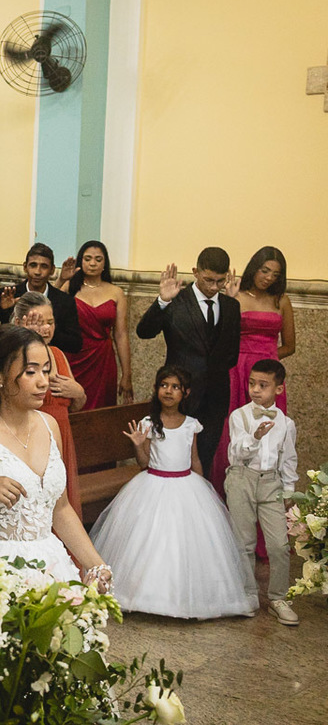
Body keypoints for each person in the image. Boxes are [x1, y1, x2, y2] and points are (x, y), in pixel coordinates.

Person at [90, 366, 256, 619]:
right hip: (153, 483)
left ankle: (194, 599)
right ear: (156, 389)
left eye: (175, 387)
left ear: (185, 392)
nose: (169, 391)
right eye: (164, 385)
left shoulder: (191, 425)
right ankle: (141, 595)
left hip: (186, 484)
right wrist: (137, 445)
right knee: (149, 542)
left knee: (187, 545)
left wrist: (203, 492)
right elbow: (145, 463)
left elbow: (195, 459)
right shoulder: (149, 423)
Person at [0, 325, 112, 590]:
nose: (43, 381)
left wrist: (95, 564)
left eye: (46, 370)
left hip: (50, 562)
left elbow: (60, 509)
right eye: (30, 372)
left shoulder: (49, 425)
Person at [136, 248, 241, 477]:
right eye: (208, 280)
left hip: (215, 398)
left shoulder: (232, 306)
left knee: (203, 459)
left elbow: (232, 353)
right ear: (195, 272)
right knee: (172, 459)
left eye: (220, 281)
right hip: (179, 396)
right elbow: (144, 332)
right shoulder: (176, 300)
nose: (214, 287)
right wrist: (162, 301)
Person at [212, 246, 295, 493]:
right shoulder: (237, 295)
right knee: (233, 430)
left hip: (268, 374)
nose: (269, 277)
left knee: (270, 433)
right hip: (238, 371)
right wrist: (226, 299)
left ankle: (267, 497)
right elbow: (219, 336)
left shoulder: (282, 301)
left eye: (275, 274)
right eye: (264, 271)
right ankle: (227, 496)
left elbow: (290, 345)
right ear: (254, 268)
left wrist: (268, 356)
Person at [226, 359, 300, 625]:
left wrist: (289, 489)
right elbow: (234, 453)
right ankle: (248, 594)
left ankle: (279, 597)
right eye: (251, 384)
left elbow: (289, 458)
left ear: (279, 389)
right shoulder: (240, 416)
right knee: (244, 542)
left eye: (263, 385)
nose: (255, 390)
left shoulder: (286, 423)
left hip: (271, 483)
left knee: (279, 545)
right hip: (241, 479)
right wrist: (255, 437)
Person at [13, 293, 85, 512]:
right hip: (32, 438)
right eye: (39, 322)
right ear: (22, 323)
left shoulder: (58, 354)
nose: (46, 328)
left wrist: (79, 393)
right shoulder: (17, 355)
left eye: (50, 322)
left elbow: (75, 405)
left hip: (62, 437)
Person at [63, 241, 133, 409]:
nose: (92, 263)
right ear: (81, 261)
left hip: (103, 359)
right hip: (74, 358)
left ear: (104, 264)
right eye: (87, 259)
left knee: (101, 410)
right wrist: (61, 279)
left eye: (98, 259)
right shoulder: (69, 287)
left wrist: (127, 374)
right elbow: (50, 309)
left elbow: (121, 334)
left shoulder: (116, 292)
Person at [0, 243, 82, 354]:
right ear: (25, 267)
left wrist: (47, 329)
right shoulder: (7, 294)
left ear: (52, 270)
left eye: (44, 266)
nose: (37, 272)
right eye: (33, 265)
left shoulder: (65, 301)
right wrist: (1, 309)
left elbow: (76, 344)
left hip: (49, 360)